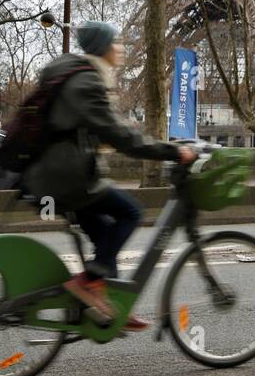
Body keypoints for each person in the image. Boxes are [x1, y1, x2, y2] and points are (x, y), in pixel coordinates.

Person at [22, 21, 196, 329]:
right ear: (103, 47)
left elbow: (107, 128)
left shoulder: (75, 75)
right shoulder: (87, 82)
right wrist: (171, 151)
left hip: (53, 175)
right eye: (115, 43)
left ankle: (110, 303)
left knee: (106, 236)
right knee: (129, 212)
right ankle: (88, 282)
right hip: (64, 179)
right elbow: (120, 137)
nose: (120, 48)